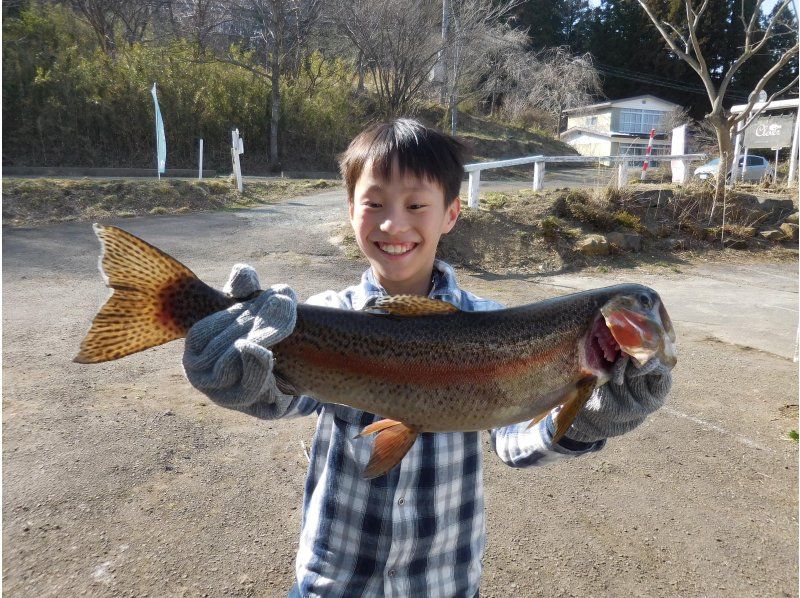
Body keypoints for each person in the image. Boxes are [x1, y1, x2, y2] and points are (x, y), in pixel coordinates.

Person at [182, 119, 673, 597]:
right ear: (350, 209)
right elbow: (284, 398)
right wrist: (238, 377)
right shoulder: (322, 317)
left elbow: (514, 444)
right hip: (332, 583)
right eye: (374, 204)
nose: (394, 223)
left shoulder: (490, 324)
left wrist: (590, 420)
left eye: (417, 204)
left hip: (443, 583)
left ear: (451, 214)